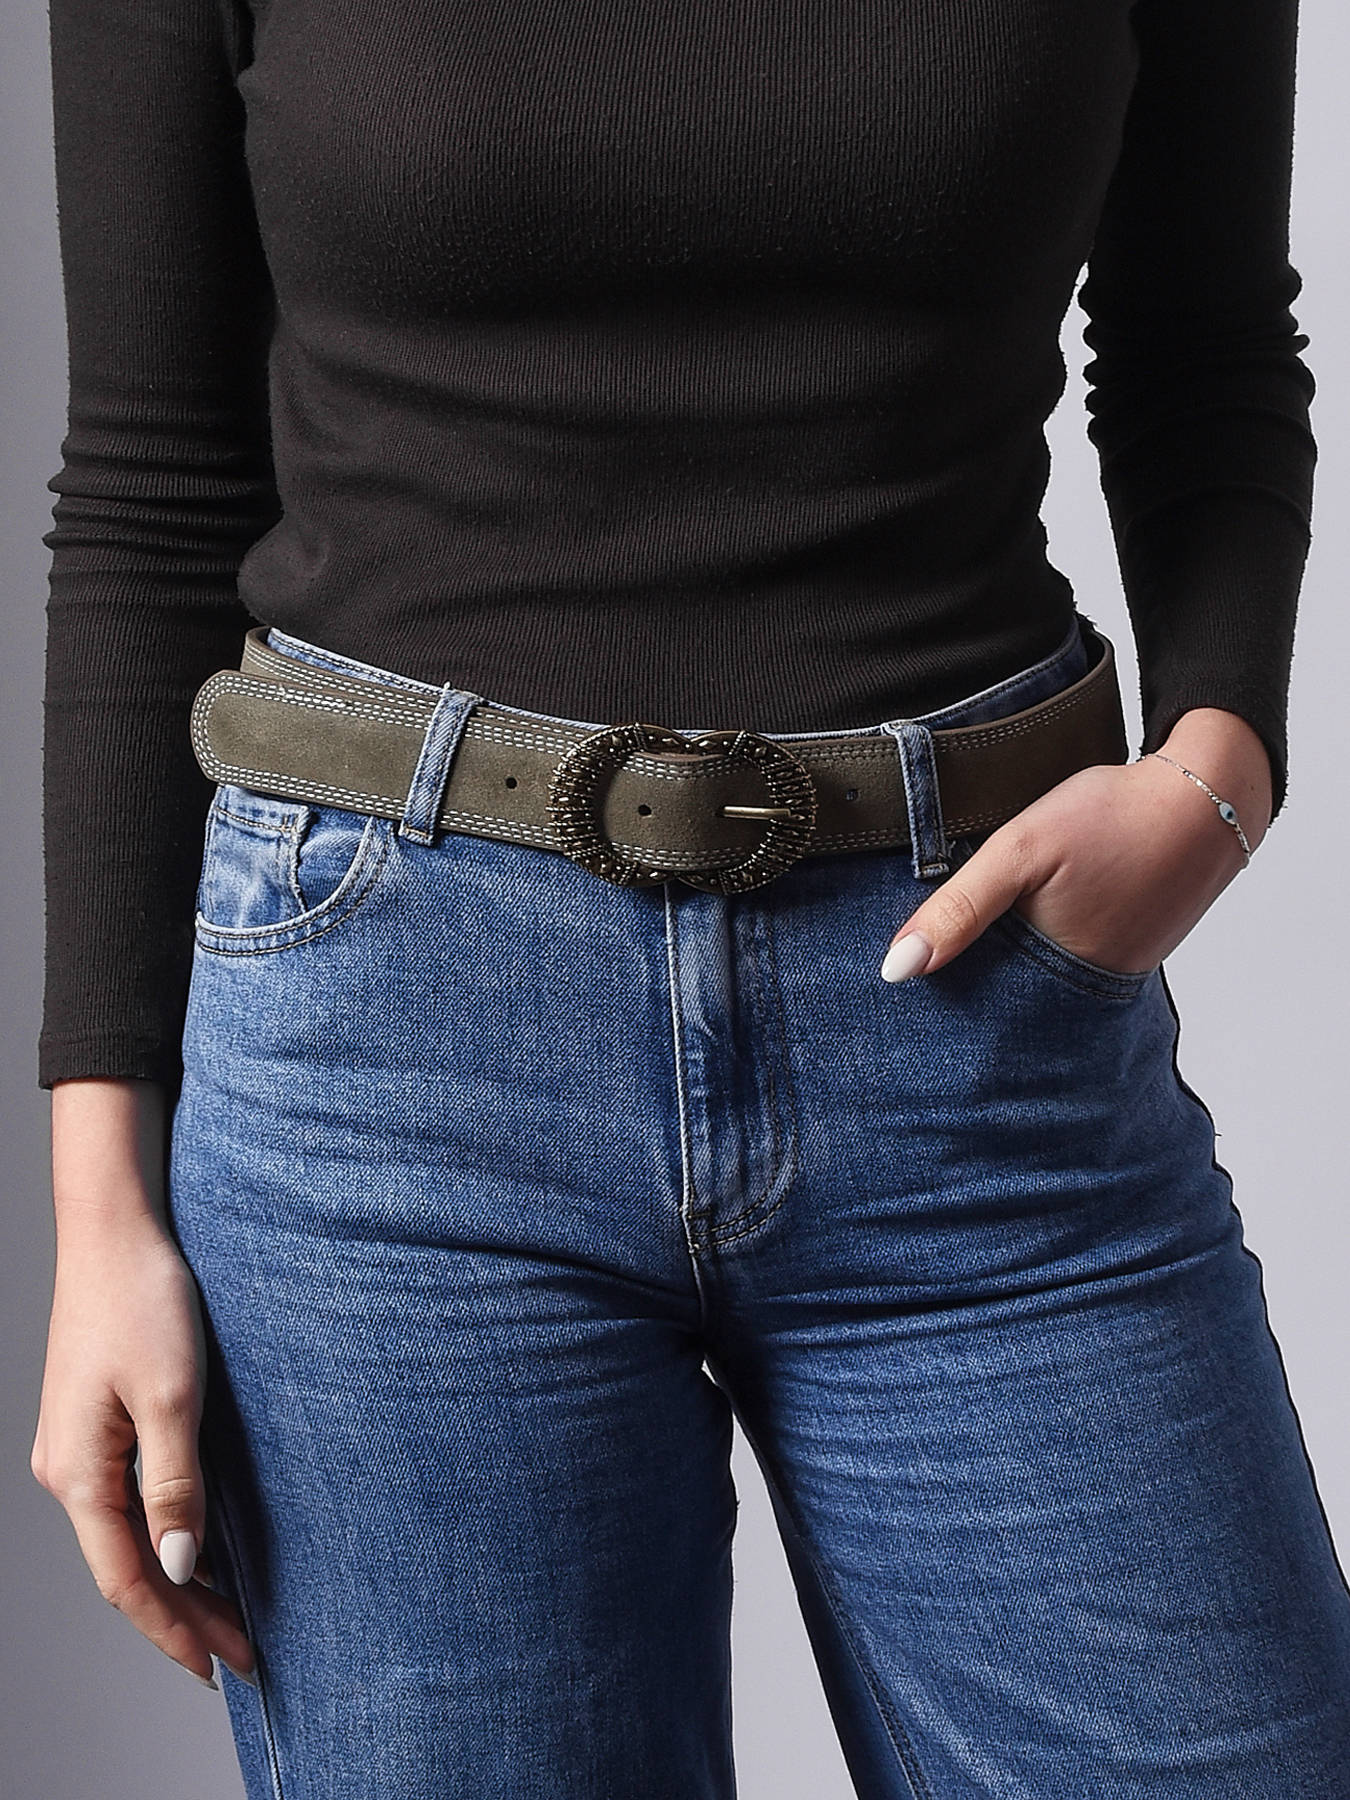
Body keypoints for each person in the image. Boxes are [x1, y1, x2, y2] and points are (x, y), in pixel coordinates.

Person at [29, 0, 1350, 1793]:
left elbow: (1206, 347)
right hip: (392, 1074)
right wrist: (102, 1217)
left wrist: (1215, 776)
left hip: (972, 1025)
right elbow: (151, 483)